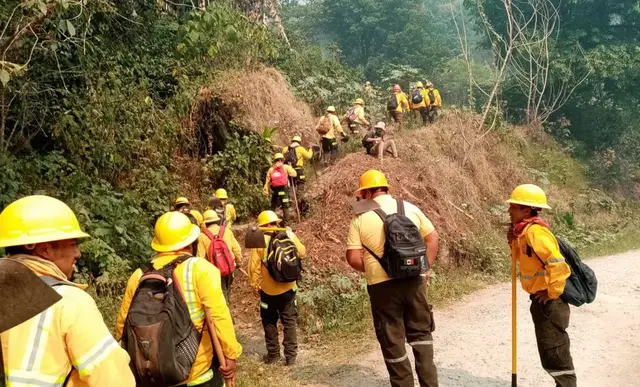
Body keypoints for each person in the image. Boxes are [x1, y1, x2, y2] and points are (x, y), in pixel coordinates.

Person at [0, 195, 135, 386]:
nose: (78, 253)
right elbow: (112, 378)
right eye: (72, 244)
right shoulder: (69, 301)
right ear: (45, 250)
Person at [116, 211, 242, 387]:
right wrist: (231, 354)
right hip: (197, 375)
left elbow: (122, 327)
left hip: (153, 375)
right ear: (191, 242)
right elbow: (219, 316)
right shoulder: (200, 269)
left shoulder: (138, 275)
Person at [346, 170, 439, 387]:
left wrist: (373, 269)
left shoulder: (360, 219)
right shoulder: (410, 208)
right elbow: (432, 237)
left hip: (381, 287)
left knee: (392, 339)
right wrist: (425, 268)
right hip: (415, 280)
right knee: (421, 334)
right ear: (385, 188)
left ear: (367, 192)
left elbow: (352, 258)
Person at [507, 184, 576, 387]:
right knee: (550, 351)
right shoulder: (524, 232)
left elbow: (558, 264)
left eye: (514, 207)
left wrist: (551, 293)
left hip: (550, 303)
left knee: (554, 351)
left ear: (527, 210)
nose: (509, 210)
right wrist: (513, 242)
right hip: (540, 300)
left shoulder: (536, 233)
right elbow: (526, 261)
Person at [248, 210, 306, 366]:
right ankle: (291, 357)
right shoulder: (288, 234)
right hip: (289, 288)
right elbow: (303, 252)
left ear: (263, 225)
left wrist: (255, 286)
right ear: (276, 222)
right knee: (289, 322)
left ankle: (273, 356)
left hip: (268, 292)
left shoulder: (259, 240)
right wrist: (292, 236)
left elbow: (253, 267)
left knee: (269, 321)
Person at [197, 210, 242, 302]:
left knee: (221, 292)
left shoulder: (202, 236)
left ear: (205, 223)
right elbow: (236, 249)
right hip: (229, 267)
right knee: (227, 287)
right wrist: (238, 262)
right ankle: (227, 304)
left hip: (215, 270)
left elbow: (200, 258)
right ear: (217, 220)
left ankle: (225, 308)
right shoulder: (226, 231)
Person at [263, 153, 297, 226]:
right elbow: (294, 174)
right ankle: (286, 223)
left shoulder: (271, 169)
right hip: (284, 191)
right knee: (285, 206)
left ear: (274, 161)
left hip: (275, 191)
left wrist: (266, 191)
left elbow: (267, 182)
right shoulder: (285, 167)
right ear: (282, 159)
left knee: (273, 205)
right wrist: (291, 168)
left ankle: (271, 222)